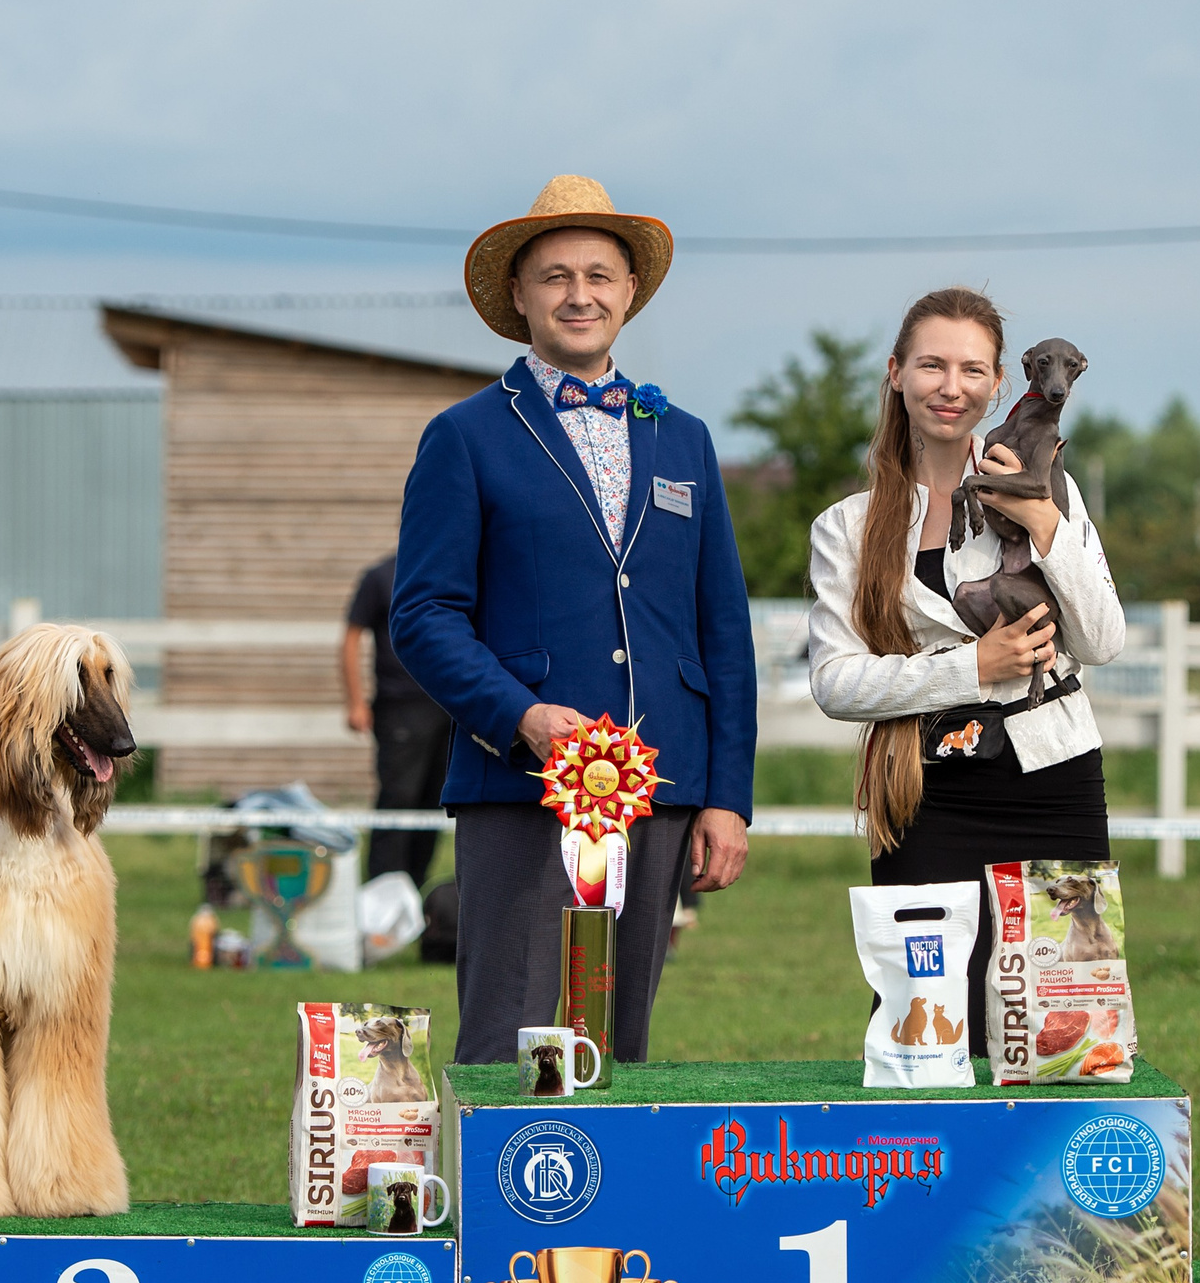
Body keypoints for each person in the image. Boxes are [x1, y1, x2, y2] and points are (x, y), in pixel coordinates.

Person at [392, 175, 755, 1065]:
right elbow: (424, 614)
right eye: (555, 276)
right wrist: (518, 714)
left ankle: (606, 1206)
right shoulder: (465, 435)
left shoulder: (686, 440)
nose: (580, 294)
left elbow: (722, 628)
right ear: (518, 297)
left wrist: (726, 797)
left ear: (631, 291)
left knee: (619, 1040)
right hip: (522, 785)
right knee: (509, 1033)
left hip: (662, 791)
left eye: (599, 274)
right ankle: (501, 1204)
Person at [806, 288, 1124, 1053]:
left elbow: (1104, 638)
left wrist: (1045, 519)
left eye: (971, 369)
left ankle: (1047, 1175)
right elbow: (836, 682)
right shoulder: (848, 526)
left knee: (1065, 1032)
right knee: (931, 1032)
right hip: (925, 792)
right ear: (895, 374)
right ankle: (929, 1173)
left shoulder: (1053, 486)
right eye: (931, 365)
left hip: (1054, 781)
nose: (952, 386)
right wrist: (972, 667)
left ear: (997, 382)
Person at [342, 551, 452, 888]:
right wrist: (356, 701)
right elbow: (351, 638)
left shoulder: (450, 574)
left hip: (448, 704)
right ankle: (380, 891)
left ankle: (413, 891)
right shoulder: (380, 576)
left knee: (436, 800)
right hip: (400, 705)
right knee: (398, 796)